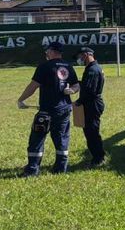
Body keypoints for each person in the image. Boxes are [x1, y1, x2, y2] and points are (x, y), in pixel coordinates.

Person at [17, 41, 79, 176]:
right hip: (64, 109)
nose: (46, 53)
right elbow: (76, 85)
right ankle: (61, 168)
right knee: (61, 138)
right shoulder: (69, 66)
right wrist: (72, 91)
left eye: (47, 51)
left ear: (51, 51)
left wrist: (21, 99)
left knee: (37, 138)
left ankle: (32, 169)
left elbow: (33, 86)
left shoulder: (44, 66)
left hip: (47, 110)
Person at [75, 47, 106, 166]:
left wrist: (79, 101)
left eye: (80, 56)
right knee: (91, 131)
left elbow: (89, 90)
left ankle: (98, 158)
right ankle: (98, 155)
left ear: (86, 55)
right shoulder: (94, 67)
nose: (79, 59)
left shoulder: (92, 69)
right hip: (93, 102)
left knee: (91, 132)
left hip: (92, 104)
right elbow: (88, 85)